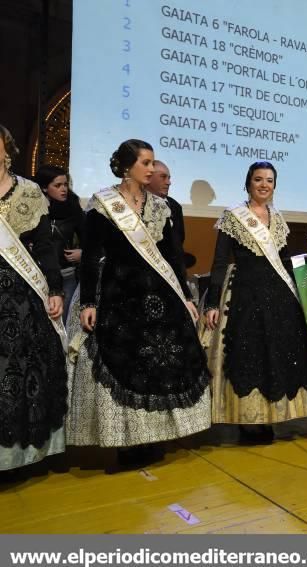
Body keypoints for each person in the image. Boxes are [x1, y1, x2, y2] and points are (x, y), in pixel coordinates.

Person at [67, 139, 210, 462]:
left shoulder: (162, 207)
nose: (151, 169)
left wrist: (186, 296)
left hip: (160, 295)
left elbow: (172, 256)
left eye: (152, 163)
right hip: (120, 294)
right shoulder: (103, 205)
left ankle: (155, 436)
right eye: (145, 163)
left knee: (160, 365)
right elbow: (90, 258)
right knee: (125, 364)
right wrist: (89, 301)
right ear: (127, 166)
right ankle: (128, 441)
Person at [204, 162, 307, 440]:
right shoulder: (233, 216)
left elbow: (286, 262)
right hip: (245, 293)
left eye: (269, 180)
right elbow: (219, 262)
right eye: (258, 179)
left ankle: (270, 417)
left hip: (278, 297)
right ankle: (247, 420)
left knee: (275, 354)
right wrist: (212, 303)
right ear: (248, 183)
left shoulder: (277, 218)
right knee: (248, 353)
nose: (264, 184)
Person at [0, 124, 68, 473]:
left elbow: (44, 247)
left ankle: (26, 454)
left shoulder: (28, 191)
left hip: (22, 293)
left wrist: (55, 289)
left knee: (29, 368)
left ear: (6, 148)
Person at [34, 165, 85, 321]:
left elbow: (91, 239)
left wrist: (82, 253)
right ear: (44, 188)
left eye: (65, 184)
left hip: (66, 276)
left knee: (61, 323)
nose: (64, 189)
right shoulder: (33, 208)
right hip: (37, 277)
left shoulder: (74, 208)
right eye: (58, 185)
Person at [144, 160, 184, 245]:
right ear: (148, 177)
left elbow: (180, 240)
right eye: (163, 177)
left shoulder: (175, 206)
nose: (168, 182)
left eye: (169, 178)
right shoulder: (137, 202)